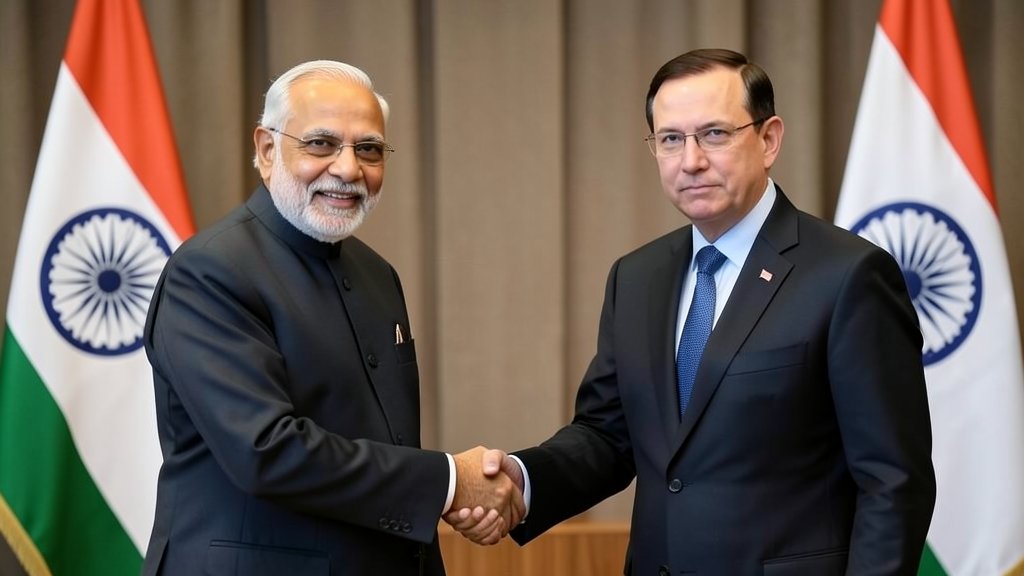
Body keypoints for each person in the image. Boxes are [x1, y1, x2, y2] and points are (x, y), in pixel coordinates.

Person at [449, 48, 936, 574]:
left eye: (715, 134)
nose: (691, 160)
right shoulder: (637, 278)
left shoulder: (849, 276)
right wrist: (523, 479)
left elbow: (893, 482)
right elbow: (608, 436)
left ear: (769, 140)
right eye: (671, 139)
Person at [141, 60, 521, 576]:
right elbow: (267, 451)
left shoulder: (375, 273)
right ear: (267, 150)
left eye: (368, 149)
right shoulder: (210, 271)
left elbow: (385, 443)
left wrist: (448, 496)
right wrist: (451, 482)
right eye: (321, 144)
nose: (348, 169)